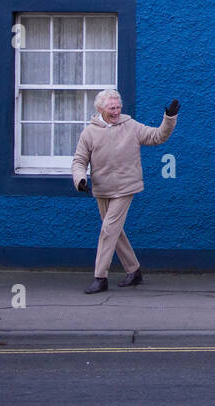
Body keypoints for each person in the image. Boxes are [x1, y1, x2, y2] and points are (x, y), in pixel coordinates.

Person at [71, 89, 178, 293]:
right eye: (112, 108)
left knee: (108, 230)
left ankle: (100, 277)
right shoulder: (89, 133)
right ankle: (134, 270)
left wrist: (169, 118)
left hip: (125, 187)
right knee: (115, 232)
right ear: (101, 109)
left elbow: (157, 136)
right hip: (102, 189)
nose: (116, 111)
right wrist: (80, 179)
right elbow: (79, 161)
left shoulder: (131, 126)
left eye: (118, 107)